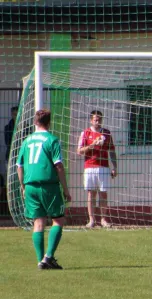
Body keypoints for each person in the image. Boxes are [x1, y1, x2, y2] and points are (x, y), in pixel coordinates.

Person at [16, 109, 72, 269]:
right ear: (49, 122)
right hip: (48, 186)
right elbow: (59, 166)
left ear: (35, 122)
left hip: (30, 186)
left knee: (38, 222)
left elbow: (19, 166)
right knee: (58, 219)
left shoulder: (27, 141)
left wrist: (22, 186)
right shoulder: (52, 140)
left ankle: (41, 261)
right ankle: (48, 257)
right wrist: (66, 190)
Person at [77, 110, 117, 228]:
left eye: (99, 119)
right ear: (91, 120)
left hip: (104, 167)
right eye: (95, 119)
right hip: (90, 166)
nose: (97, 121)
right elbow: (79, 151)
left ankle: (103, 220)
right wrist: (92, 145)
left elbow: (112, 151)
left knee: (103, 193)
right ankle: (91, 220)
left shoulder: (107, 133)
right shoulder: (85, 133)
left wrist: (115, 167)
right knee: (91, 194)